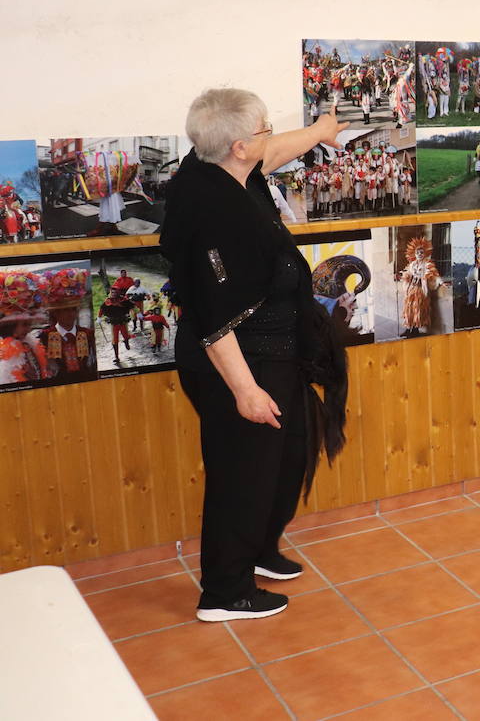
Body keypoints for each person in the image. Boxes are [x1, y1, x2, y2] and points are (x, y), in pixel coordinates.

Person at [159, 87, 348, 622]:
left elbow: (272, 151)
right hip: (240, 362)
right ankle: (225, 590)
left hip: (276, 355)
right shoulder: (218, 213)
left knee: (287, 459)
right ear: (237, 145)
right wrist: (245, 391)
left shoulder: (216, 166)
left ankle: (259, 549)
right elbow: (216, 320)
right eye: (263, 128)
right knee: (242, 474)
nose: (270, 135)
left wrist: (318, 134)